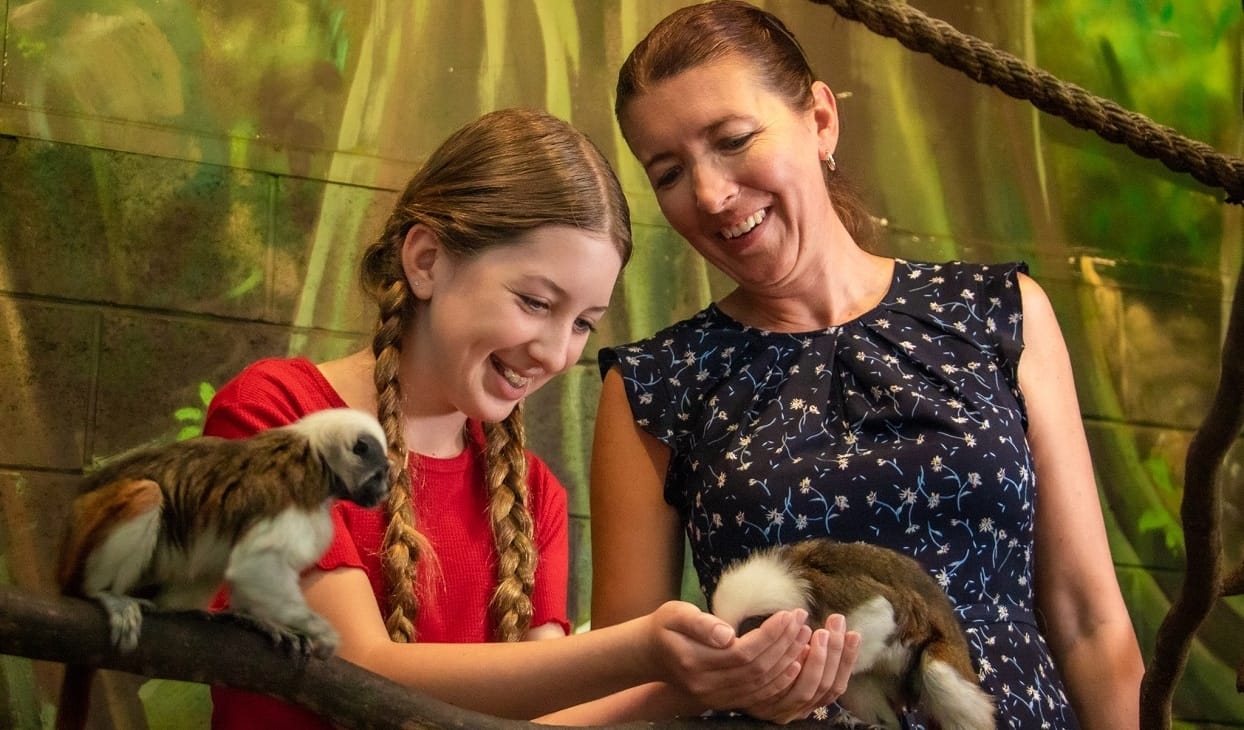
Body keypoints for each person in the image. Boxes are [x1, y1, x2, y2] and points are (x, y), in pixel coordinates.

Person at [589, 2, 1145, 728]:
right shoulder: (653, 384)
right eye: (668, 173)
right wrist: (728, 681)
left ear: (820, 120)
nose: (709, 194)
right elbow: (625, 685)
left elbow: (1090, 624)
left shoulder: (999, 312)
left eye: (732, 140)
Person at [203, 107, 848, 728]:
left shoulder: (533, 493)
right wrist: (642, 651)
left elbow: (538, 720)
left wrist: (706, 687)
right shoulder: (277, 414)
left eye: (582, 325)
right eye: (536, 302)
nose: (555, 352)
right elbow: (354, 675)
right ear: (427, 261)